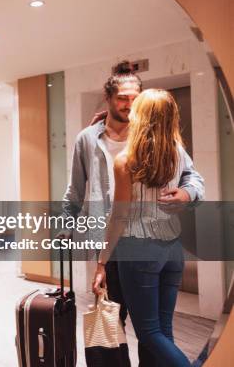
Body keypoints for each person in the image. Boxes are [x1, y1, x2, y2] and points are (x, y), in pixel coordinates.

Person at [62, 61, 204, 366]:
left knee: (151, 329)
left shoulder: (160, 141)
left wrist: (186, 192)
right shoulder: (87, 138)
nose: (130, 104)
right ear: (109, 99)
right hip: (108, 239)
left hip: (137, 241)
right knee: (109, 325)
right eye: (122, 98)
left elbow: (194, 179)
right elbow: (75, 190)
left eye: (135, 98)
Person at [93, 89, 195, 366]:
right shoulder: (178, 153)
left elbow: (120, 217)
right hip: (173, 248)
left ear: (140, 116)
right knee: (164, 329)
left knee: (148, 332)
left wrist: (102, 262)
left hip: (138, 250)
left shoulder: (127, 161)